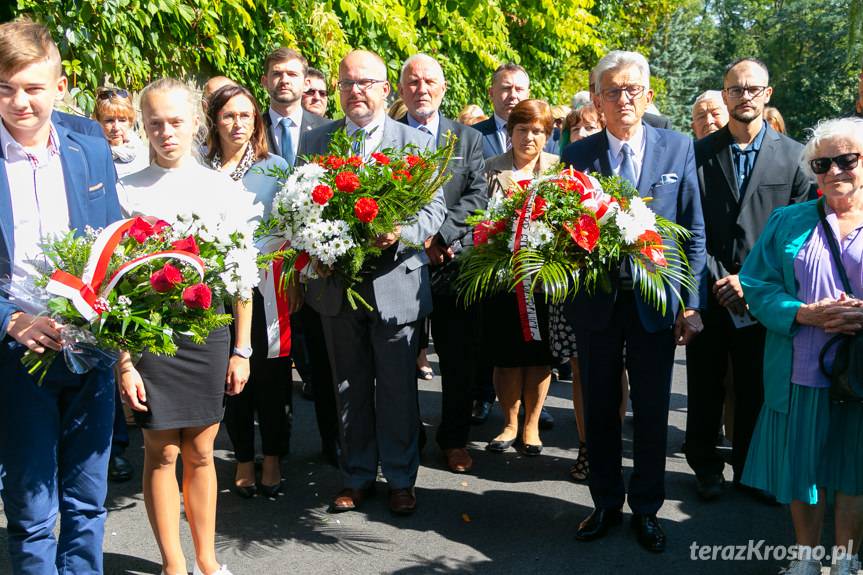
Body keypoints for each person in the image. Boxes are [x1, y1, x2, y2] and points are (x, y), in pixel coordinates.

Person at [561, 50, 706, 553]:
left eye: (632, 90)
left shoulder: (678, 148)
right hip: (596, 305)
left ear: (648, 95)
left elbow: (693, 231)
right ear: (597, 100)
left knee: (651, 409)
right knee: (600, 408)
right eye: (612, 91)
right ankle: (605, 502)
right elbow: (563, 230)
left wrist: (691, 303)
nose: (623, 99)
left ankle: (646, 508)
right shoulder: (578, 155)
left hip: (655, 304)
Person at [116, 77, 260, 575]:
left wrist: (242, 350)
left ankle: (207, 560)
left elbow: (242, 275)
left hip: (208, 333)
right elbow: (113, 284)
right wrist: (124, 362)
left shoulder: (221, 188)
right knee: (160, 451)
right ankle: (173, 565)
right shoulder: (125, 190)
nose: (166, 132)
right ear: (143, 125)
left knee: (201, 451)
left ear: (196, 121)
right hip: (149, 337)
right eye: (155, 123)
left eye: (176, 122)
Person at [297, 49, 446, 516]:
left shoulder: (414, 142)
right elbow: (299, 206)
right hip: (338, 286)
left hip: (397, 283)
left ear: (385, 89)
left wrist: (401, 232)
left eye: (365, 83)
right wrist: (317, 247)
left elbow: (434, 209)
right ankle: (357, 474)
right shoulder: (316, 141)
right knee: (349, 386)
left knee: (398, 389)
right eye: (347, 83)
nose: (355, 91)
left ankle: (401, 478)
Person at [0, 18, 122, 574]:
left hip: (90, 348)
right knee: (31, 507)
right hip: (18, 353)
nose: (19, 102)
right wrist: (11, 319)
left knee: (87, 499)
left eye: (33, 87)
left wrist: (123, 344)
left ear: (60, 85)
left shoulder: (90, 146)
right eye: (5, 88)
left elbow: (113, 239)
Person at [740, 117, 863, 575]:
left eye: (846, 159)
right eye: (822, 164)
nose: (834, 171)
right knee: (803, 471)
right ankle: (806, 558)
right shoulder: (788, 220)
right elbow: (757, 284)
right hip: (801, 369)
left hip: (860, 373)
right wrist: (802, 312)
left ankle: (847, 561)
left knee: (854, 471)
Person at [687, 58, 813, 503]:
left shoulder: (795, 156)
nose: (745, 96)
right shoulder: (697, 153)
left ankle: (750, 468)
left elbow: (798, 232)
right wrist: (721, 278)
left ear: (767, 94)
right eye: (736, 89)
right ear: (725, 95)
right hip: (710, 290)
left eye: (753, 89)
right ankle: (705, 467)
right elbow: (689, 226)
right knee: (705, 385)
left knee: (756, 386)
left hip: (764, 294)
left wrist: (750, 282)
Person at [396, 53, 488, 473]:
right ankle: (407, 437)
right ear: (401, 90)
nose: (422, 89)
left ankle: (453, 440)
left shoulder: (467, 138)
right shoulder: (390, 136)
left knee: (458, 361)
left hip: (453, 263)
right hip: (400, 265)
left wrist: (440, 236)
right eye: (413, 82)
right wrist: (417, 240)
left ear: (443, 88)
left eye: (430, 81)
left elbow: (477, 195)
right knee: (400, 361)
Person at [205, 83, 294, 499]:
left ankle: (273, 456)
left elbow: (291, 226)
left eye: (245, 115)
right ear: (214, 121)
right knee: (230, 375)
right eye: (228, 116)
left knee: (271, 376)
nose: (237, 124)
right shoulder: (200, 169)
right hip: (217, 289)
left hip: (267, 286)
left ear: (256, 120)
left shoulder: (274, 166)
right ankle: (243, 456)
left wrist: (286, 273)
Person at [259, 46, 335, 464]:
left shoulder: (328, 130)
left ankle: (332, 442)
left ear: (306, 81)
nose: (284, 79)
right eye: (276, 73)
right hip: (267, 265)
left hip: (317, 262)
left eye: (292, 73)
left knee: (322, 359)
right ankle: (275, 449)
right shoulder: (250, 129)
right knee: (272, 359)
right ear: (265, 80)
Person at [483, 99, 558, 456]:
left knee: (539, 355)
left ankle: (532, 424)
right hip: (502, 280)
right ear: (510, 132)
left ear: (548, 135)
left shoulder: (559, 169)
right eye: (522, 129)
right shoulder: (490, 169)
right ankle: (510, 422)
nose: (529, 137)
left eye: (538, 131)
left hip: (544, 282)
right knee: (507, 355)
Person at [92, 86, 148, 177]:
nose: (116, 127)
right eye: (109, 120)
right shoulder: (88, 157)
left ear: (130, 121)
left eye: (122, 120)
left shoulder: (145, 157)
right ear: (97, 121)